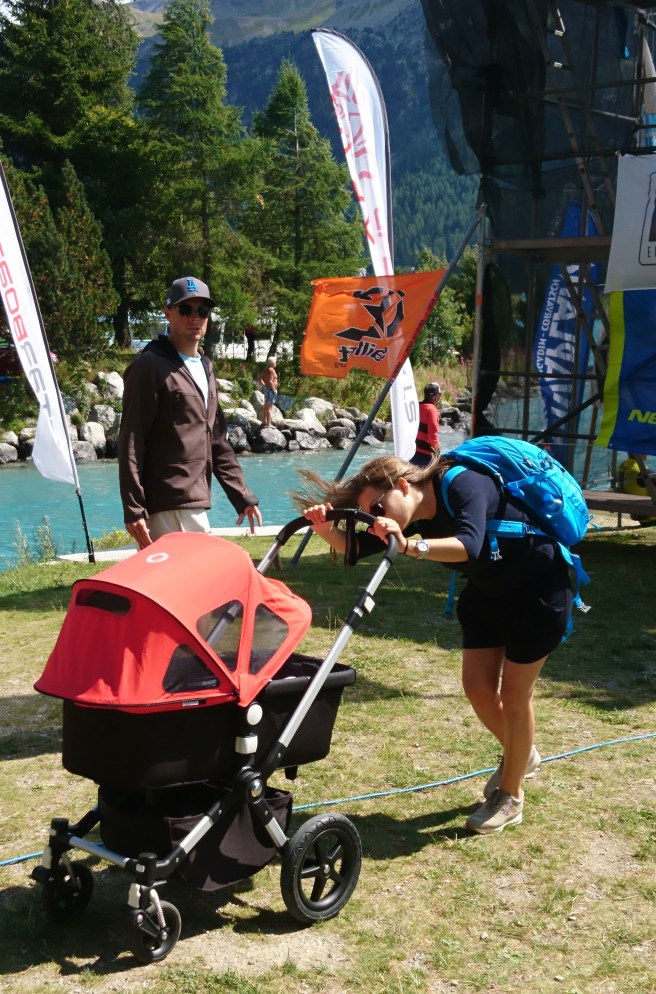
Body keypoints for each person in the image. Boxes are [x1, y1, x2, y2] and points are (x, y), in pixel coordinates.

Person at [296, 452, 572, 836]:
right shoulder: (413, 514)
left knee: (514, 696)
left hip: (538, 591)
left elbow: (469, 545)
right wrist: (323, 526)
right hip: (488, 594)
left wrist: (408, 546)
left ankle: (511, 796)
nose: (375, 515)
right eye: (369, 511)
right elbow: (357, 549)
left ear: (404, 486)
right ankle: (521, 755)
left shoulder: (464, 483)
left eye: (377, 505)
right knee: (477, 688)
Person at [119, 275, 263, 550]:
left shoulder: (205, 367)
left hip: (194, 499)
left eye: (202, 311)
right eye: (186, 310)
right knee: (192, 582)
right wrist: (134, 509)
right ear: (168, 313)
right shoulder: (149, 366)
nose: (194, 317)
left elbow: (217, 440)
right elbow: (132, 439)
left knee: (180, 586)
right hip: (168, 502)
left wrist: (242, 497)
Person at [618, 452, 656, 525]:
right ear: (640, 452)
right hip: (651, 517)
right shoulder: (641, 472)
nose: (647, 453)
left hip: (638, 513)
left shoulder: (623, 466)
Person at [410, 382, 441, 466]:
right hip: (424, 456)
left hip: (412, 452)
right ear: (435, 397)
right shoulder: (431, 410)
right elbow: (432, 435)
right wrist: (438, 454)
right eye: (439, 395)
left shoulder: (417, 406)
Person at [258, 357, 279, 428]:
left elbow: (259, 378)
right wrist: (273, 389)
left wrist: (264, 385)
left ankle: (264, 421)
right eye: (275, 362)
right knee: (269, 407)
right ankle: (268, 423)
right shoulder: (271, 370)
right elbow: (270, 381)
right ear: (272, 363)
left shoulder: (266, 369)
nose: (276, 363)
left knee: (266, 406)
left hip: (267, 389)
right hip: (270, 390)